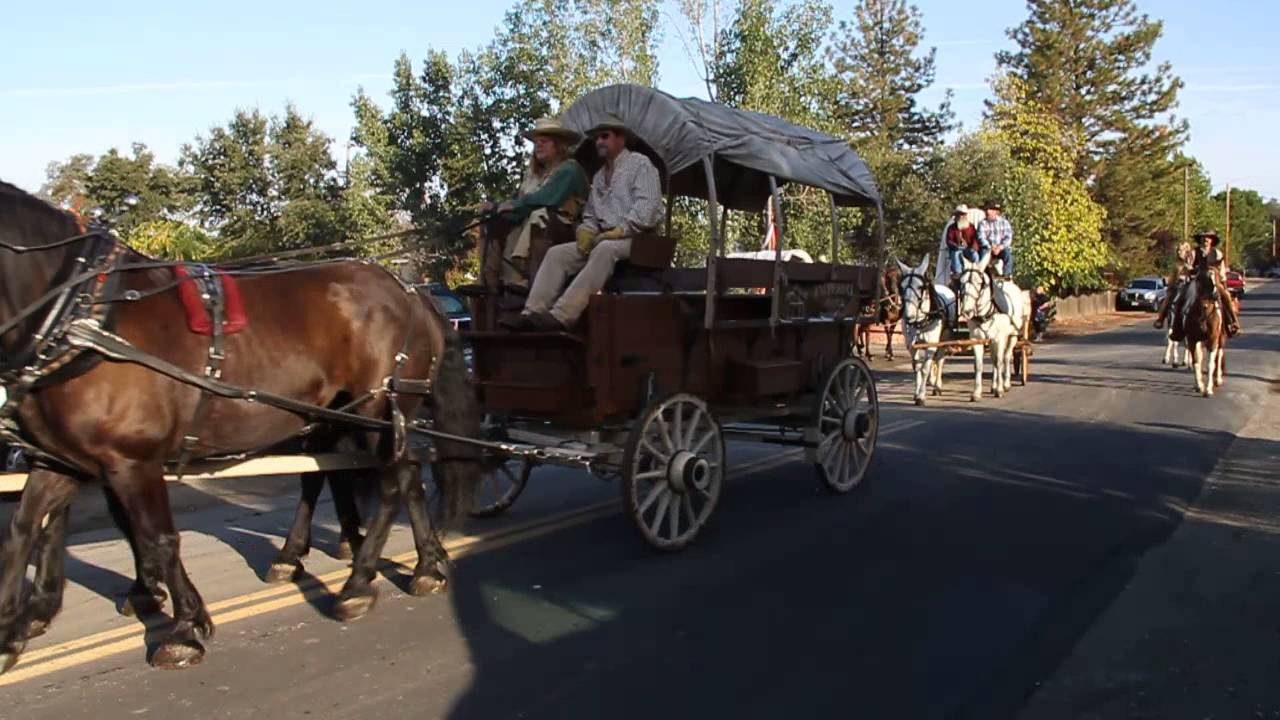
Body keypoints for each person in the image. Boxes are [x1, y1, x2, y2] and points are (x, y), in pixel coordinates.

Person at [501, 114, 663, 332]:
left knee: (605, 249)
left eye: (605, 136)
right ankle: (532, 313)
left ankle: (561, 315)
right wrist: (586, 231)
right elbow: (590, 215)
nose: (599, 142)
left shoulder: (640, 165)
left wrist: (621, 230)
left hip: (640, 239)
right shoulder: (598, 177)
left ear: (621, 139)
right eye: (597, 138)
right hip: (605, 238)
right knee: (557, 254)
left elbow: (648, 208)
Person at [463, 117, 589, 296]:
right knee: (494, 221)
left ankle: (526, 279)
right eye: (536, 142)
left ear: (558, 145)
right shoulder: (535, 175)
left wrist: (513, 205)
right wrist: (496, 209)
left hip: (566, 231)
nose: (538, 146)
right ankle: (488, 282)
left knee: (539, 216)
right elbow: (520, 205)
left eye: (543, 142)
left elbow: (546, 198)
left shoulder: (569, 170)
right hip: (535, 222)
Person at [1192, 230, 1240, 336]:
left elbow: (1222, 269)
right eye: (1203, 237)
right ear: (1200, 239)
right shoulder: (1194, 252)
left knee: (1226, 296)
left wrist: (1223, 281)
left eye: (1208, 237)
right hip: (1198, 281)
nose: (1206, 239)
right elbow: (1190, 267)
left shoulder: (1217, 253)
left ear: (1212, 240)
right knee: (1180, 296)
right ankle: (1175, 324)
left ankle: (1233, 322)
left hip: (1214, 280)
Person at [1153, 241, 1196, 336]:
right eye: (1178, 250)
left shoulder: (1192, 261)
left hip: (1190, 286)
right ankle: (1161, 318)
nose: (1179, 252)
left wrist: (1190, 271)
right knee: (1168, 299)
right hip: (1178, 287)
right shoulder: (1176, 265)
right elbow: (1172, 278)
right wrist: (1170, 282)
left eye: (1181, 250)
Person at [976, 199, 1014, 278]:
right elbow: (981, 237)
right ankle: (979, 274)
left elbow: (1008, 237)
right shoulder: (983, 223)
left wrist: (1000, 247)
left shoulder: (1004, 222)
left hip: (1000, 248)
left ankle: (1007, 275)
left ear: (995, 211)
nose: (987, 212)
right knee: (983, 253)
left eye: (989, 209)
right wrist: (991, 247)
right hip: (988, 248)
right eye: (986, 210)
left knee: (1008, 254)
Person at [944, 204, 979, 280]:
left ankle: (976, 270)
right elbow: (949, 240)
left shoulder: (971, 227)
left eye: (964, 215)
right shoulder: (952, 228)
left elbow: (975, 238)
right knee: (956, 253)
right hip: (957, 250)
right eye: (961, 215)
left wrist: (973, 246)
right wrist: (956, 246)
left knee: (975, 254)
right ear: (957, 216)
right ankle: (958, 272)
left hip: (968, 249)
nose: (963, 216)